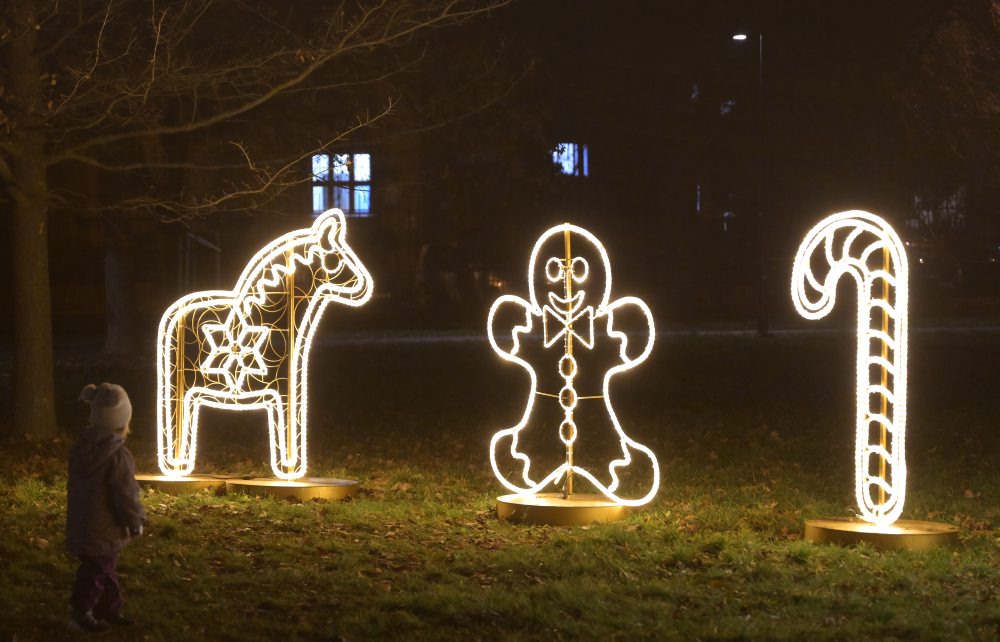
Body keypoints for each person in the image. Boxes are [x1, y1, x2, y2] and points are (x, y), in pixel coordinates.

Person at [66, 383, 146, 633]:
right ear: (123, 420)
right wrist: (136, 520)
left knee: (104, 568)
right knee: (96, 571)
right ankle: (81, 611)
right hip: (104, 528)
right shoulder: (117, 456)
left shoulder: (83, 448)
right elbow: (125, 495)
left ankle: (109, 609)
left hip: (82, 524)